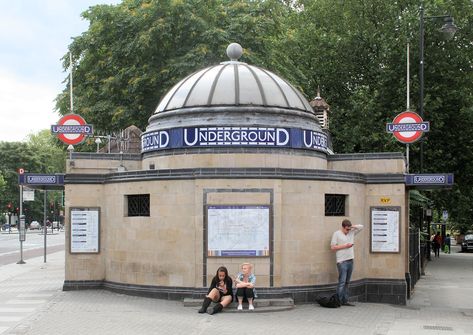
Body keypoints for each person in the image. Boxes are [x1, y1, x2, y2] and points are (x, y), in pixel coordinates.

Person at [330, 219, 363, 306]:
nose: (348, 231)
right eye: (346, 229)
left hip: (350, 260)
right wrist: (345, 246)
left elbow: (361, 227)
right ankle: (338, 301)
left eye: (349, 229)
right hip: (342, 261)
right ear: (343, 227)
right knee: (342, 282)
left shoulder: (351, 232)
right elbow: (333, 247)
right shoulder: (336, 234)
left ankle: (345, 300)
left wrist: (352, 227)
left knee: (347, 282)